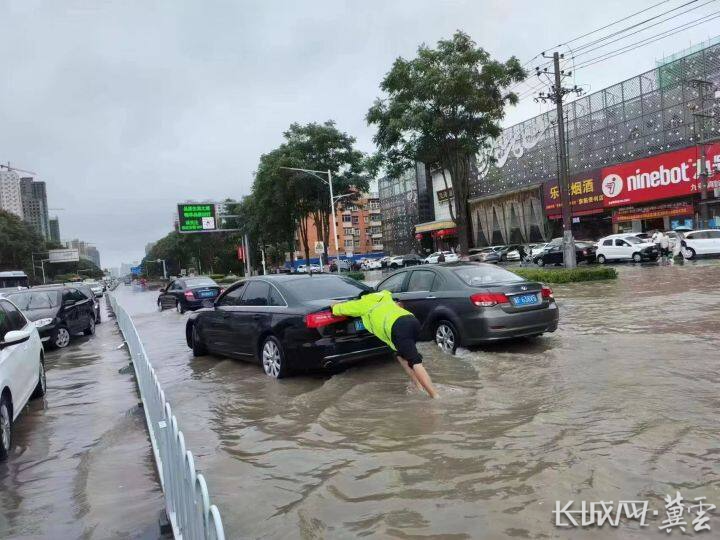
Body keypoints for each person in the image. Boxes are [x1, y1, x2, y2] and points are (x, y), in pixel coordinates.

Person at [331, 289, 439, 398]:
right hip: (412, 321)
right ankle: (419, 387)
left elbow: (338, 309)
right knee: (402, 357)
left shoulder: (363, 303)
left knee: (415, 361)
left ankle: (434, 396)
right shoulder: (386, 297)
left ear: (363, 297)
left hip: (398, 327)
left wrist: (334, 304)